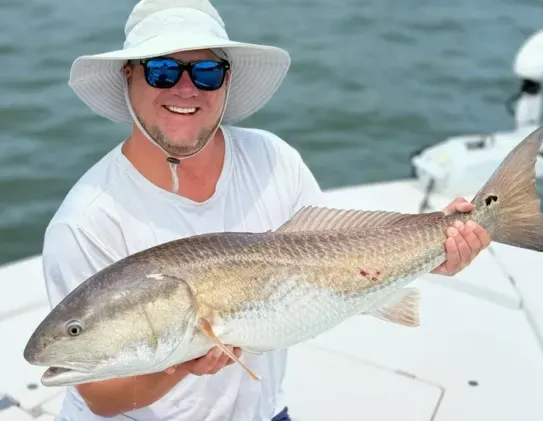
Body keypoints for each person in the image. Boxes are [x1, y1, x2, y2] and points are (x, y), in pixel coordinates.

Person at [40, 0, 491, 420]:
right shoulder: (86, 222)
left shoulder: (273, 159)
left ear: (226, 81)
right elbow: (99, 398)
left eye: (207, 73)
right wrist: (183, 363)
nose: (185, 88)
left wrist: (436, 249)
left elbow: (340, 262)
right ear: (128, 78)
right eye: (160, 71)